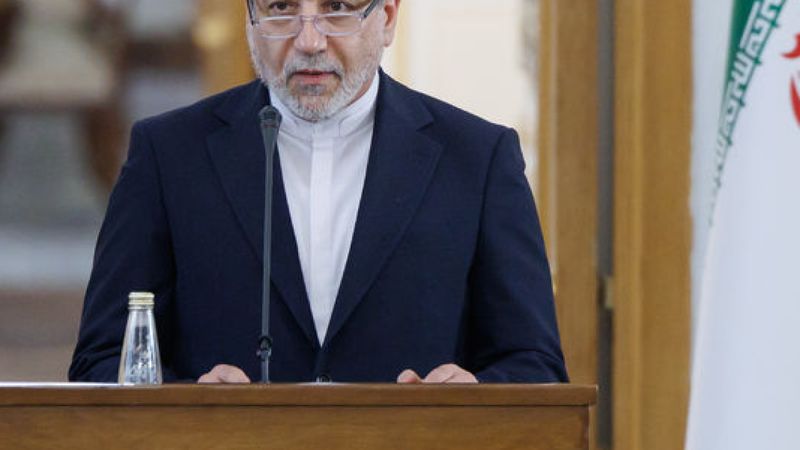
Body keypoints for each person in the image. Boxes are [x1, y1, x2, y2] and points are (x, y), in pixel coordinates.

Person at [69, 0, 568, 384]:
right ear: (249, 21)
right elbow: (101, 360)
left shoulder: (477, 159)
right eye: (281, 9)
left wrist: (471, 395)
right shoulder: (168, 154)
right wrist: (193, 403)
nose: (309, 40)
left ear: (388, 18)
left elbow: (535, 365)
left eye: (337, 8)